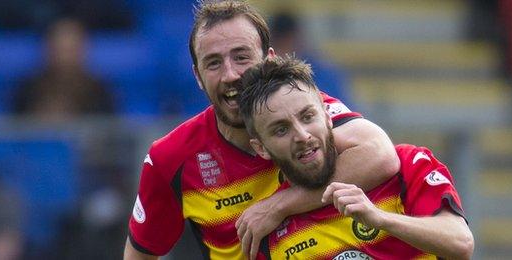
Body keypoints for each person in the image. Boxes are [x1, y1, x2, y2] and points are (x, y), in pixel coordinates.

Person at [124, 1, 400, 259]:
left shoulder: (305, 111)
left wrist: (280, 206)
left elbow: (381, 154)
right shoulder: (170, 157)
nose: (230, 74)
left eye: (241, 57)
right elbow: (141, 253)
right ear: (197, 76)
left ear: (269, 60)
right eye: (213, 63)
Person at [238, 56, 474, 259]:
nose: (301, 135)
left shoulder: (406, 165)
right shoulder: (266, 227)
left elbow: (461, 243)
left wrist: (380, 219)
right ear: (261, 148)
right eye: (281, 129)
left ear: (326, 115)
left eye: (308, 117)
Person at [12, 17, 114, 121]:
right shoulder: (28, 88)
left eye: (71, 49)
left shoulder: (100, 91)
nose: (65, 56)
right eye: (60, 49)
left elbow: (108, 129)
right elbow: (12, 130)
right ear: (48, 49)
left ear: (84, 50)